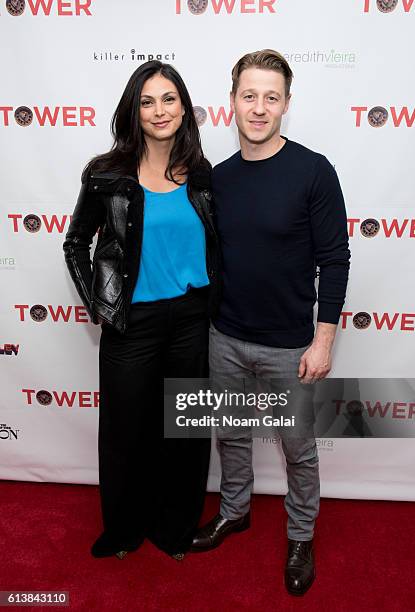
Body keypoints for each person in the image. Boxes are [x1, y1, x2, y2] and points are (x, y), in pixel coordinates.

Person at [190, 50, 350, 595]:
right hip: (226, 337)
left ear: (286, 103)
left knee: (299, 449)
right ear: (232, 101)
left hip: (290, 346)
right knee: (230, 435)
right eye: (249, 95)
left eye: (271, 97)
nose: (259, 108)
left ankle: (301, 534)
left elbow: (336, 259)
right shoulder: (218, 178)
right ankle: (235, 512)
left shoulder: (314, 170)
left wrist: (323, 340)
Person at [63, 60, 220, 560]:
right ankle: (124, 530)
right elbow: (74, 245)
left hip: (193, 320)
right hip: (133, 324)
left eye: (169, 99)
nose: (159, 110)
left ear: (184, 107)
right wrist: (100, 306)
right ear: (133, 110)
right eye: (147, 101)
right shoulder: (106, 174)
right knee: (126, 434)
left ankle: (174, 528)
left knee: (185, 434)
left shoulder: (201, 175)